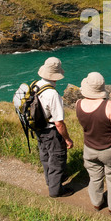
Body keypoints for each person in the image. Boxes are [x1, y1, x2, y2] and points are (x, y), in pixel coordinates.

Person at [76, 72, 111, 214]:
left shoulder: (78, 104)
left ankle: (97, 203)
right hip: (109, 150)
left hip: (89, 148)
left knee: (94, 177)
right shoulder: (108, 105)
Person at [36, 57, 74, 198]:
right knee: (57, 159)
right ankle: (56, 191)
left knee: (45, 156)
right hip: (51, 131)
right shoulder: (52, 94)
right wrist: (67, 139)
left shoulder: (35, 85)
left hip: (39, 129)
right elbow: (59, 123)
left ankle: (50, 181)